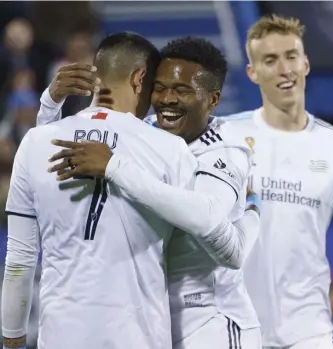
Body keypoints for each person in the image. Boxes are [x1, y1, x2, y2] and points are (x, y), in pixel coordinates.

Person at [2, 33, 256, 349]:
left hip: (59, 337)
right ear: (139, 80)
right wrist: (253, 209)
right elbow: (223, 242)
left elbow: (19, 261)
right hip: (140, 337)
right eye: (157, 88)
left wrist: (12, 340)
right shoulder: (170, 148)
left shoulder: (36, 142)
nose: (161, 100)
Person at [224, 15, 333, 349]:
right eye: (270, 60)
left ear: (305, 63)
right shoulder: (225, 136)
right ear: (252, 72)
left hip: (309, 333)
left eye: (291, 56)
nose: (284, 68)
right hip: (236, 330)